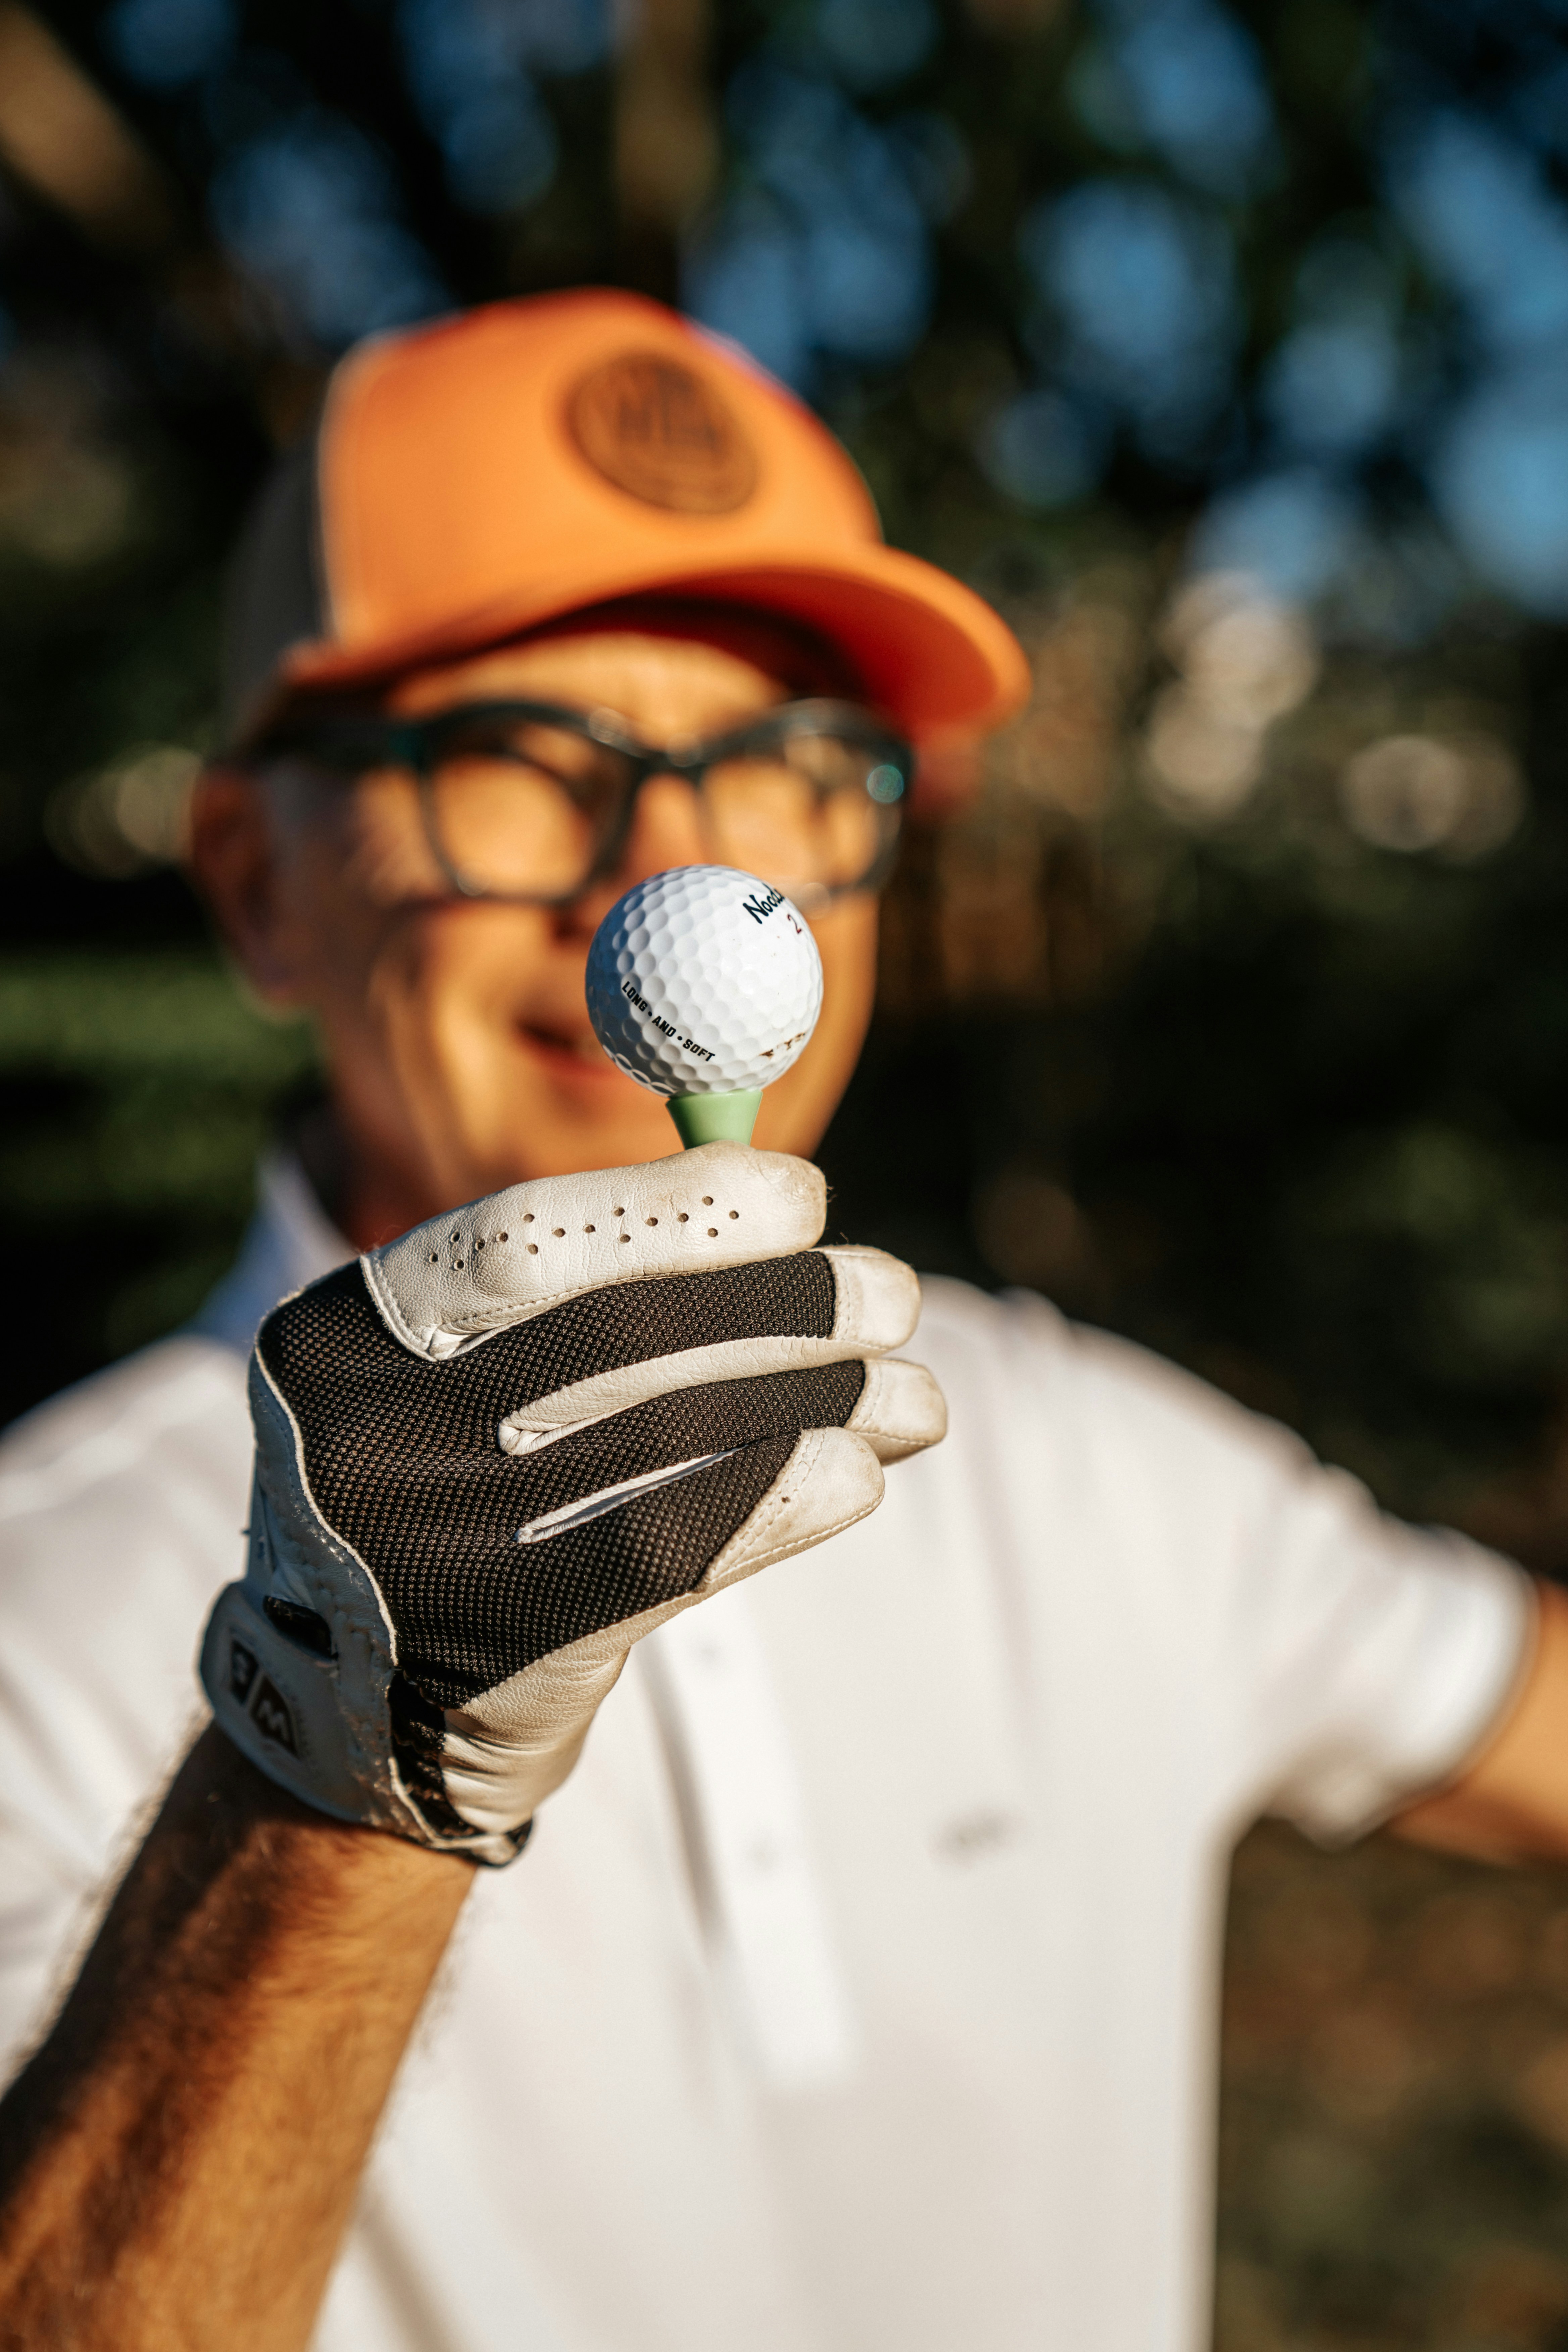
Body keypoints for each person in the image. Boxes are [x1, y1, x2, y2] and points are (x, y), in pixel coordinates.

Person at [0, 288, 1566, 2352]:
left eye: (790, 762)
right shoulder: (28, 1607)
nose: (670, 863)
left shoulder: (1081, 1452)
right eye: (514, 756)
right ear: (254, 880)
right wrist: (317, 1792)